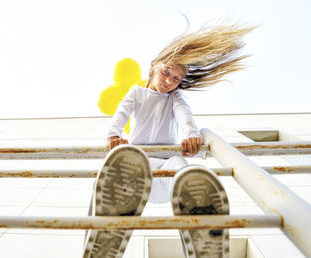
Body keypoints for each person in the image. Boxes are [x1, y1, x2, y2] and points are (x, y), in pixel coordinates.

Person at [83, 23, 255, 258]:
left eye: (176, 78)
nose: (169, 81)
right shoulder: (137, 92)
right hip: (137, 176)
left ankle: (200, 232)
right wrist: (114, 134)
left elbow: (185, 116)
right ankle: (104, 236)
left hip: (165, 176)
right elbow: (121, 113)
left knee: (180, 165)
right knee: (116, 170)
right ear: (153, 67)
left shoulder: (176, 97)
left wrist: (192, 136)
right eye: (166, 72)